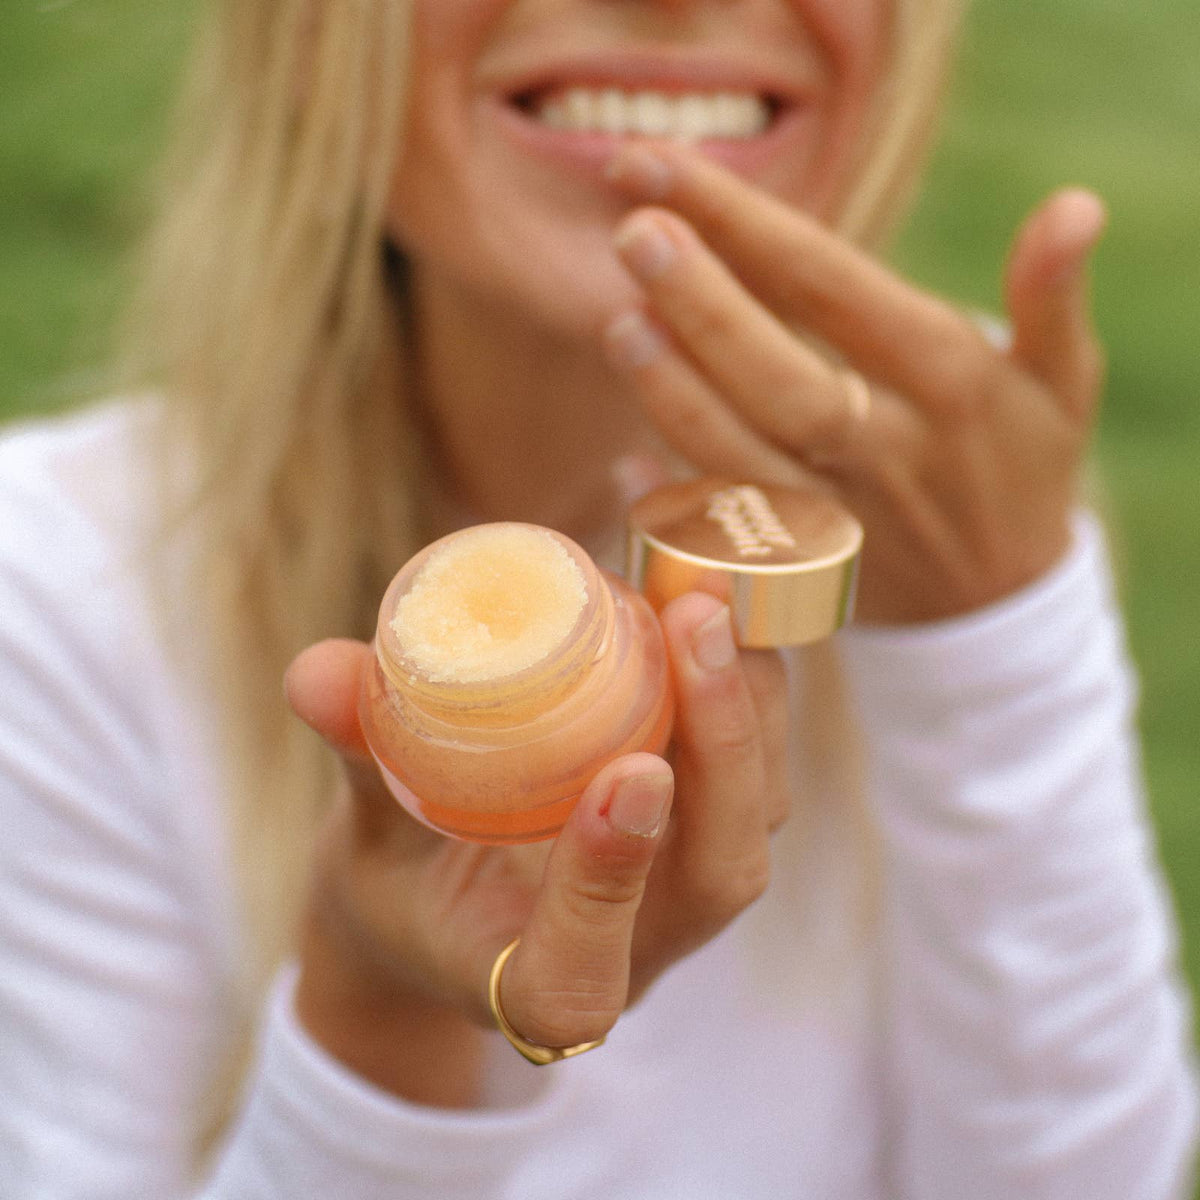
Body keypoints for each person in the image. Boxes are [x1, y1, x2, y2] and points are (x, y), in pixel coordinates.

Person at [0, 1, 1195, 1196]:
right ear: (305, 32)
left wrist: (992, 644)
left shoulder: (953, 491)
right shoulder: (63, 580)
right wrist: (383, 1020)